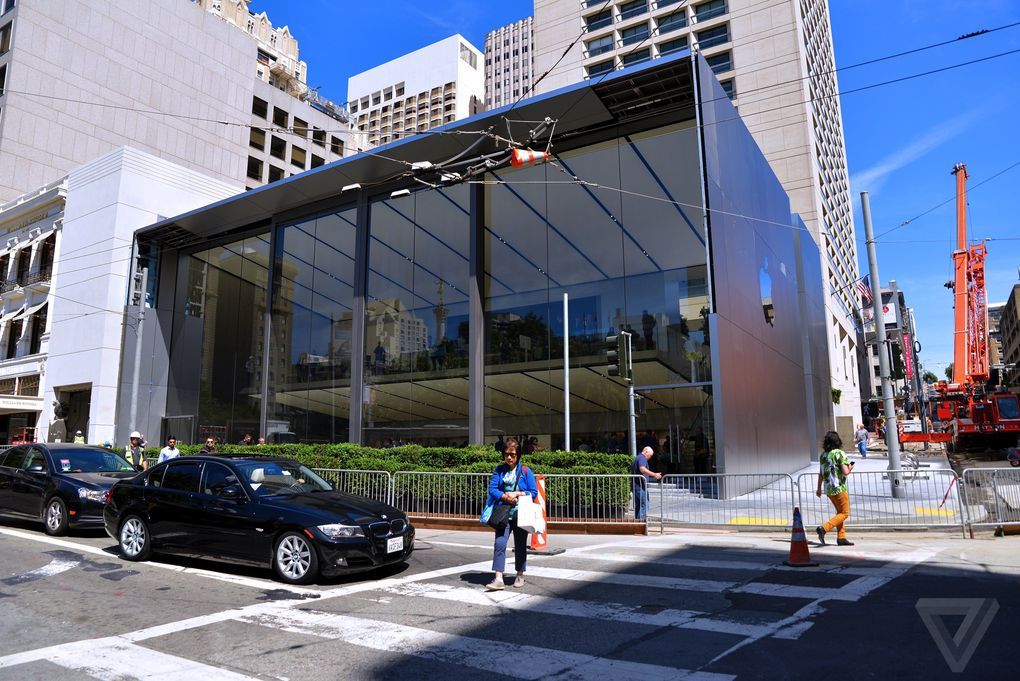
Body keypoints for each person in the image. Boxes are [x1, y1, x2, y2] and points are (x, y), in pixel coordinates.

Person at [485, 438, 538, 591]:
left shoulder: (526, 471)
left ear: (518, 455)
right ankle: (498, 578)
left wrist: (517, 494)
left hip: (521, 514)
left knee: (520, 545)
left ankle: (520, 575)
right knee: (499, 544)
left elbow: (533, 492)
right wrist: (505, 496)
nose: (509, 457)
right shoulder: (499, 470)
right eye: (506, 454)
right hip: (503, 514)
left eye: (512, 455)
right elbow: (492, 489)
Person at [816, 431, 855, 546]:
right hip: (839, 488)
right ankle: (823, 529)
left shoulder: (823, 455)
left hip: (828, 489)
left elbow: (821, 474)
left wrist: (819, 489)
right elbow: (845, 472)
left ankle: (841, 537)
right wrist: (850, 467)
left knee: (840, 513)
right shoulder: (839, 453)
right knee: (845, 513)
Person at [631, 445, 662, 520]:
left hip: (636, 486)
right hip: (640, 486)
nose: (650, 457)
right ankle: (641, 523)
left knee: (639, 505)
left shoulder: (638, 458)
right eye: (650, 455)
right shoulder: (642, 458)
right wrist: (654, 474)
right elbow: (642, 469)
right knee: (645, 504)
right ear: (646, 452)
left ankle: (637, 523)